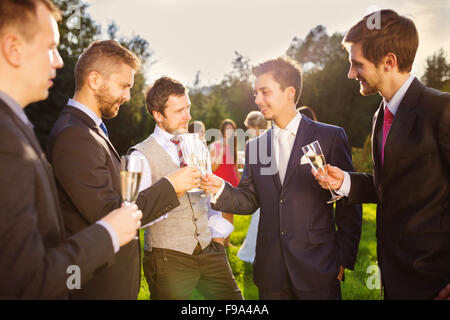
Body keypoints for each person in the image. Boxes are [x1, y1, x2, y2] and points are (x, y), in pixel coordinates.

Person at [0, 0, 143, 299]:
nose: (59, 61)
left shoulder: (16, 127)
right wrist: (109, 233)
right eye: (51, 46)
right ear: (14, 48)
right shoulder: (9, 141)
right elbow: (25, 282)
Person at [312, 9, 450, 300]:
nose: (351, 74)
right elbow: (390, 185)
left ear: (389, 61)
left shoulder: (441, 110)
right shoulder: (380, 116)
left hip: (436, 281)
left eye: (356, 64)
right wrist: (345, 182)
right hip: (396, 276)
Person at [46, 41, 200, 299]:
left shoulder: (90, 129)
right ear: (94, 80)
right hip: (97, 285)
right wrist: (171, 186)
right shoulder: (74, 135)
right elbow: (109, 214)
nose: (128, 96)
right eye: (124, 86)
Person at [202, 57, 362, 300]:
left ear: (289, 92)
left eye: (264, 92)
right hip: (271, 272)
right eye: (255, 93)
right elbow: (248, 199)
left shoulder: (330, 136)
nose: (257, 100)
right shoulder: (255, 146)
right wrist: (219, 189)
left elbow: (349, 201)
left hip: (319, 267)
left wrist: (343, 258)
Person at [129, 77, 243, 300]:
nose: (188, 116)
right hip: (168, 258)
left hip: (211, 251)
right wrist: (173, 188)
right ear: (158, 115)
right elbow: (136, 215)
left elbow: (209, 198)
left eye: (188, 107)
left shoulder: (198, 146)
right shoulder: (140, 155)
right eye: (180, 110)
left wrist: (218, 237)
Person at [236, 111, 270, 263]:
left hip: (261, 189)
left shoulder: (257, 142)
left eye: (249, 127)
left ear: (255, 127)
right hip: (267, 188)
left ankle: (254, 254)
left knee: (259, 222)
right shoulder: (269, 139)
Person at [210, 119, 240, 246]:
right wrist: (220, 152)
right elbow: (213, 168)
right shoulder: (216, 145)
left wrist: (240, 183)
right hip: (219, 184)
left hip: (232, 183)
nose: (229, 132)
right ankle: (218, 242)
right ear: (222, 131)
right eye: (227, 130)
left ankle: (226, 242)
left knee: (230, 215)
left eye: (231, 130)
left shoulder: (233, 146)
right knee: (220, 215)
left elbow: (235, 166)